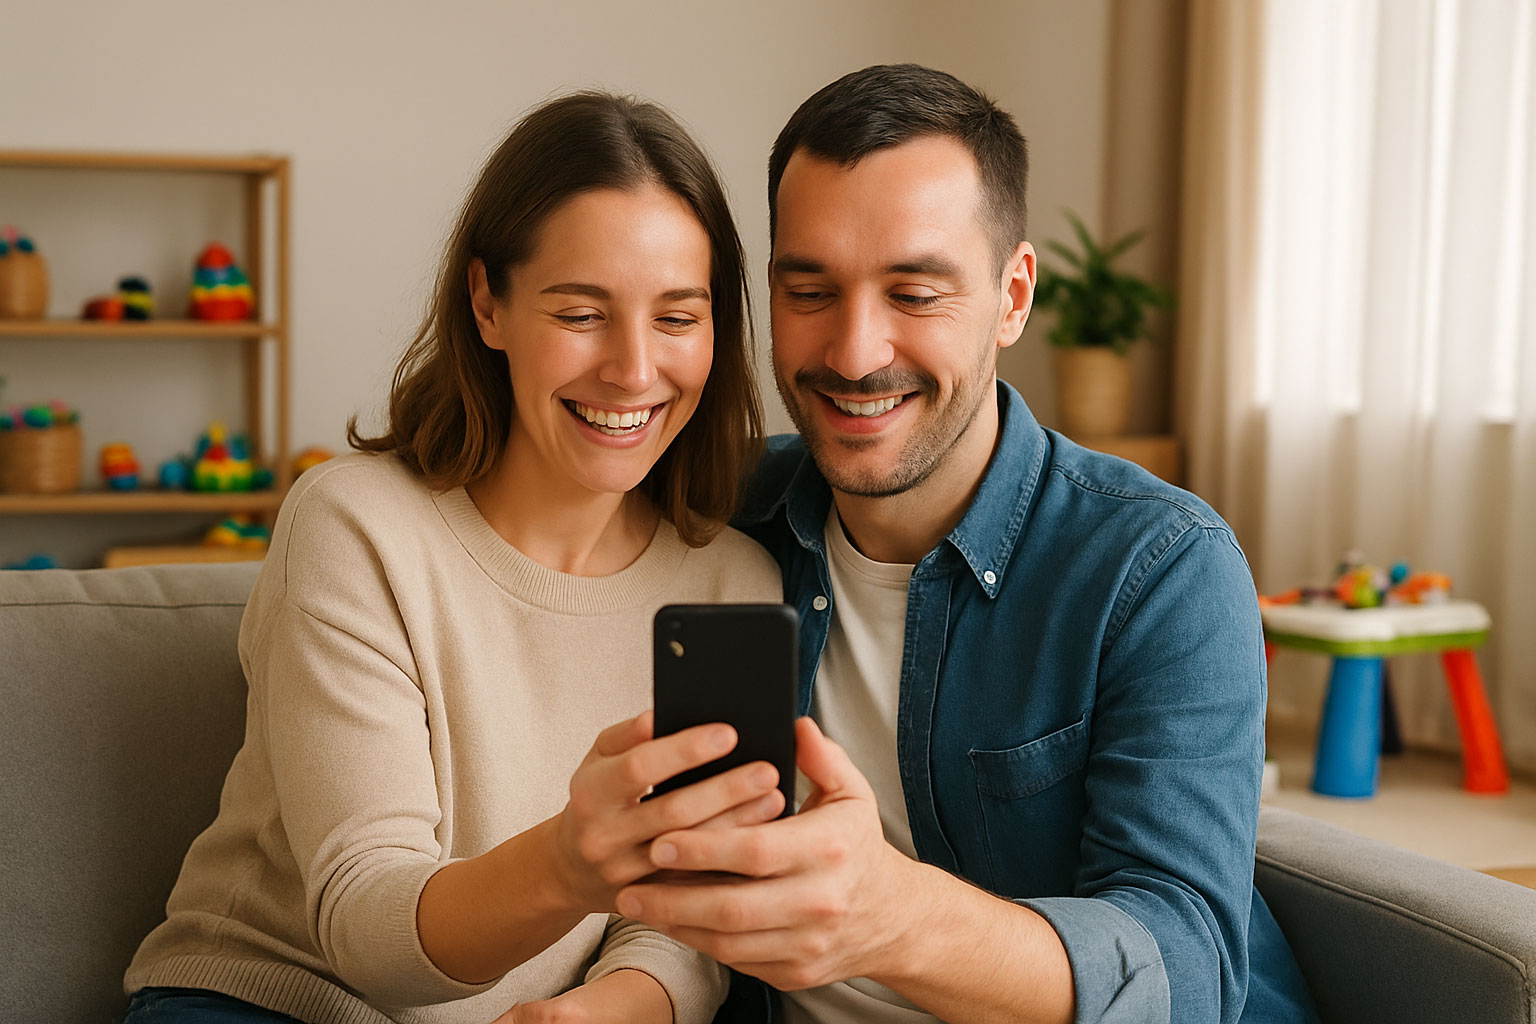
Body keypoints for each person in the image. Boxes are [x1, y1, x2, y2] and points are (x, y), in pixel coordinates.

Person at [613, 65, 1322, 1024]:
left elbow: (1184, 975)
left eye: (915, 292)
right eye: (810, 290)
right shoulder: (715, 518)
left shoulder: (1158, 568)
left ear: (1013, 295)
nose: (856, 352)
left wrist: (890, 918)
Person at [121, 92, 786, 1024]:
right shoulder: (355, 528)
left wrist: (605, 1010)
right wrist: (566, 861)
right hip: (277, 1003)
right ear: (489, 303)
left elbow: (683, 914)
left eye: (678, 317)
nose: (635, 370)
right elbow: (367, 930)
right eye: (582, 312)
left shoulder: (732, 586)